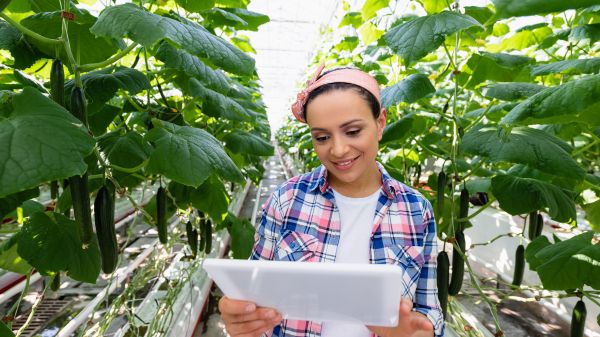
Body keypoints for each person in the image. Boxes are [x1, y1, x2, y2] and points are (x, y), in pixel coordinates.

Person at [218, 63, 444, 337]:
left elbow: (429, 308)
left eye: (352, 131)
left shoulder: (417, 210)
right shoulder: (286, 200)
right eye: (322, 137)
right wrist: (243, 319)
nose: (338, 150)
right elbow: (255, 294)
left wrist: (419, 332)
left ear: (380, 122)